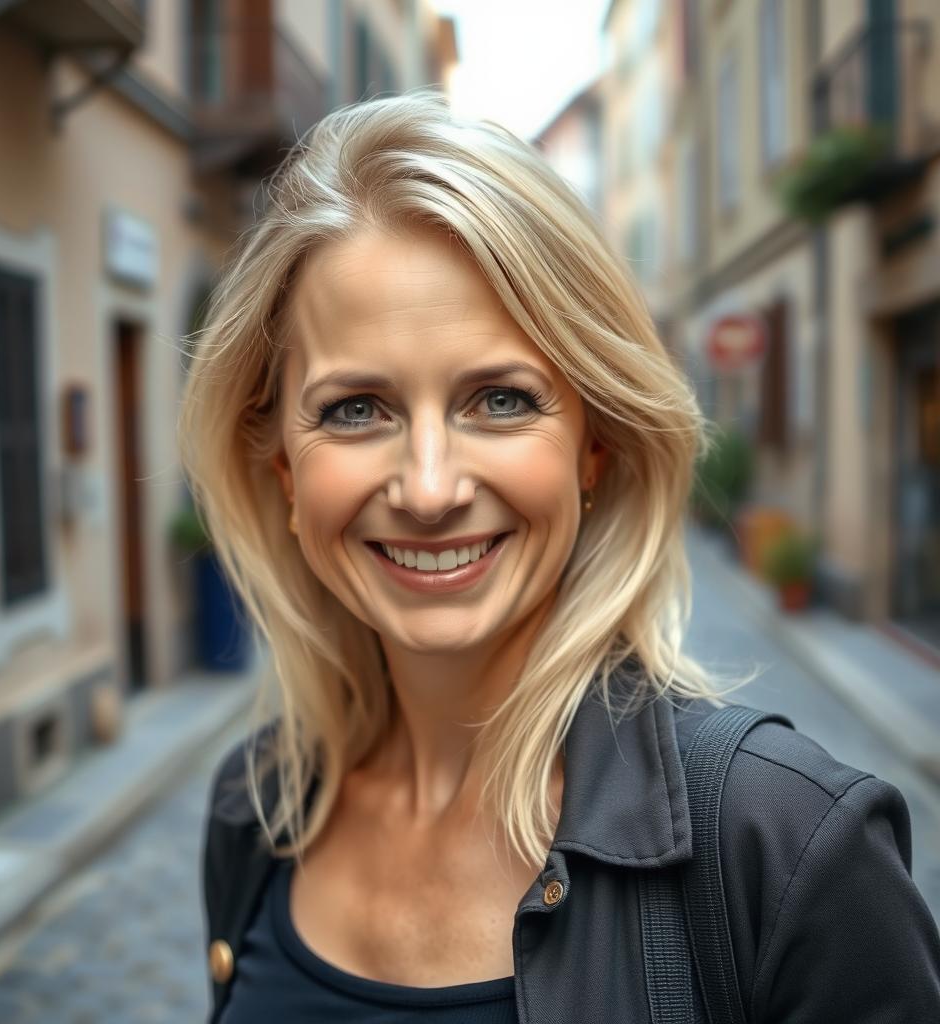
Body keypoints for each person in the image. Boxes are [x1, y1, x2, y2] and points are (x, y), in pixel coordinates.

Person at [178, 91, 940, 1022]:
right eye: (354, 409)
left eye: (499, 400)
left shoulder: (786, 847)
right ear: (284, 469)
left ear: (595, 444)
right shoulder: (255, 811)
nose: (428, 488)